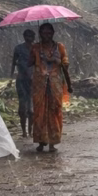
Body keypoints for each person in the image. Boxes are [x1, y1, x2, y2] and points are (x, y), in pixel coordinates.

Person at [32, 23, 73, 153]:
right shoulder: (36, 47)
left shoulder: (60, 47)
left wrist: (59, 62)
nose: (47, 35)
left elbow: (65, 66)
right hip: (39, 85)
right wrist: (35, 55)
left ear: (53, 33)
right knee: (40, 112)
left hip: (55, 85)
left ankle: (52, 142)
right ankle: (41, 141)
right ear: (40, 34)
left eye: (49, 33)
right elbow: (29, 62)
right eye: (44, 33)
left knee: (54, 111)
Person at [10, 29, 35, 138]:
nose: (29, 38)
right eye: (27, 36)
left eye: (31, 36)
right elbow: (13, 63)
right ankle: (24, 131)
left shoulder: (36, 49)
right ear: (24, 37)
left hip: (33, 81)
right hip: (21, 80)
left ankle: (31, 130)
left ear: (34, 37)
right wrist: (11, 77)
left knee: (31, 109)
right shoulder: (18, 48)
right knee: (22, 108)